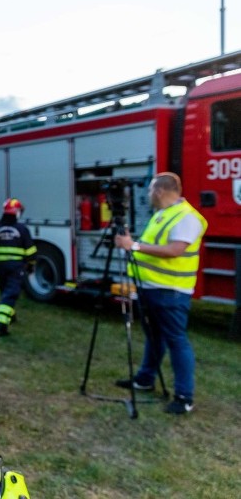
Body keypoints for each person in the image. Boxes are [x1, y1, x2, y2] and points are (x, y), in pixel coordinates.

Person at [114, 172, 206, 415]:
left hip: (171, 292)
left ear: (159, 191)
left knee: (176, 340)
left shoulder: (186, 217)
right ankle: (145, 378)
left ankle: (184, 396)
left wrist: (133, 245)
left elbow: (175, 250)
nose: (148, 195)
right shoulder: (162, 215)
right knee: (154, 337)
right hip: (151, 289)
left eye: (150, 190)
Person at [0, 198, 36, 336]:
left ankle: (11, 316)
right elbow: (30, 251)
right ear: (17, 213)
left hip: (1, 267)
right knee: (10, 294)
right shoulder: (22, 229)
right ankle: (1, 326)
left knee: (5, 291)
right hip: (16, 268)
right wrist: (31, 264)